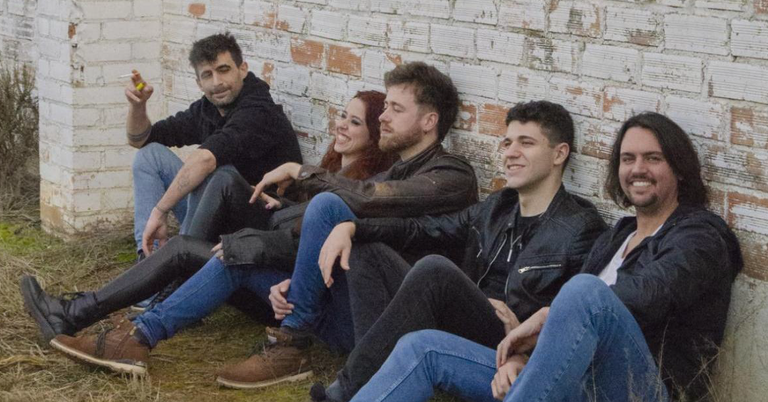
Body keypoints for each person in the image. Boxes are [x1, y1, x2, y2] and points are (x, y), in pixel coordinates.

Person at [38, 62, 480, 388]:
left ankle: (291, 342)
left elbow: (366, 203)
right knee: (236, 258)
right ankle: (136, 338)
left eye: (395, 109)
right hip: (341, 304)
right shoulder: (395, 170)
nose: (383, 116)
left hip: (385, 325)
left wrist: (299, 172)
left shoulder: (451, 175)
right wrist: (295, 275)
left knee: (307, 214)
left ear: (429, 121)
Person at [351, 112, 743, 402]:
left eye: (653, 158)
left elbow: (650, 293)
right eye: (628, 159)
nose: (638, 169)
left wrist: (547, 316)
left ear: (679, 169)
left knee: (583, 292)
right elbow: (571, 336)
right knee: (424, 347)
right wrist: (525, 360)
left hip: (639, 389)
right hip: (570, 382)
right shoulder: (617, 236)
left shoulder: (700, 236)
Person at [20, 91, 395, 345]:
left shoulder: (362, 190)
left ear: (376, 136)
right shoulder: (330, 172)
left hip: (287, 294)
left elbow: (313, 248)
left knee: (184, 248)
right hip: (275, 263)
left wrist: (251, 240)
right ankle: (127, 300)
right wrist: (283, 207)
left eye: (355, 123)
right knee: (226, 178)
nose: (341, 125)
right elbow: (301, 229)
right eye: (342, 115)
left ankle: (79, 312)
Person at [310, 101, 608, 402]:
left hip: (513, 340)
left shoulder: (580, 228)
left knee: (435, 271)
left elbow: (577, 318)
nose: (511, 152)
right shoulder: (497, 207)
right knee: (366, 251)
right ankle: (373, 378)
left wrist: (527, 347)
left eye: (526, 143)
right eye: (507, 143)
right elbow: (424, 228)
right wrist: (354, 228)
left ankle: (345, 390)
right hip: (472, 319)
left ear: (559, 154)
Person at [125, 32, 301, 258]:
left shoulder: (258, 109)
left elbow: (206, 159)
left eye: (224, 70)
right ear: (199, 83)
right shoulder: (207, 109)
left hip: (259, 223)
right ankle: (149, 257)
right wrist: (138, 107)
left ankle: (177, 264)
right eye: (207, 75)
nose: (217, 82)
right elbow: (140, 140)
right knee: (150, 155)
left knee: (219, 173)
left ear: (242, 69)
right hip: (214, 214)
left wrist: (160, 210)